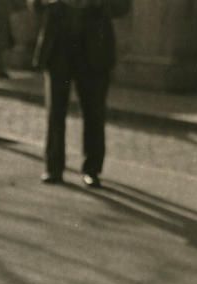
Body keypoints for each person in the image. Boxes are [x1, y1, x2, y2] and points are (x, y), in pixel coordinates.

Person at [31, 0, 131, 187]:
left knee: (94, 112)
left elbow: (123, 6)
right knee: (55, 112)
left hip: (94, 47)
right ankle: (53, 167)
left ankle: (91, 169)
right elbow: (34, 5)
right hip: (58, 46)